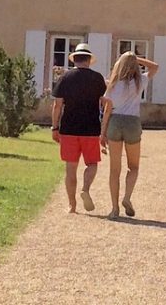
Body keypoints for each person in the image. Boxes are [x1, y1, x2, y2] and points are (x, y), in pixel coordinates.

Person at [100, 50, 160, 220]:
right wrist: (136, 59)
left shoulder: (112, 84)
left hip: (115, 121)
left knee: (114, 170)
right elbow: (155, 67)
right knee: (133, 166)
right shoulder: (139, 81)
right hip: (132, 122)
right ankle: (127, 197)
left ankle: (114, 209)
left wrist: (102, 133)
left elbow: (107, 110)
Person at [51, 43, 107, 214]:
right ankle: (85, 188)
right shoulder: (97, 78)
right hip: (91, 129)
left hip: (69, 129)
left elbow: (57, 105)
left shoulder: (65, 78)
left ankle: (72, 205)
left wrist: (55, 127)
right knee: (92, 164)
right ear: (89, 60)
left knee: (71, 169)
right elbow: (105, 102)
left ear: (74, 59)